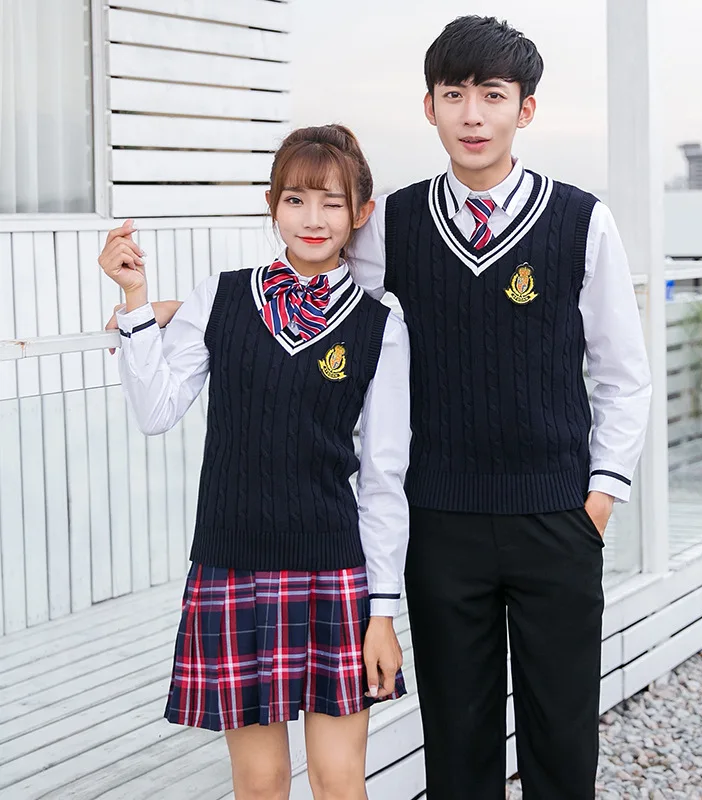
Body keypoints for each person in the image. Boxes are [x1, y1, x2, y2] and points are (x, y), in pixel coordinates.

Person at [110, 16, 652, 799]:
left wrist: (600, 500)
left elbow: (622, 374)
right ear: (428, 106)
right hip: (439, 521)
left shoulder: (580, 220)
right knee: (457, 738)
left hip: (556, 517)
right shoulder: (392, 218)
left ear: (524, 111)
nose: (473, 114)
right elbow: (315, 282)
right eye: (454, 93)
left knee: (562, 734)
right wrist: (171, 311)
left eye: (492, 96)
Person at [99, 124, 411, 800]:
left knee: (338, 783)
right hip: (234, 564)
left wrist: (383, 611)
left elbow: (385, 480)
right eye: (296, 199)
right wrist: (134, 300)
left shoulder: (379, 324)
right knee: (262, 783)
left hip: (335, 573)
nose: (313, 218)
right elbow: (156, 410)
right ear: (272, 204)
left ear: (361, 213)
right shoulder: (221, 296)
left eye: (332, 202)